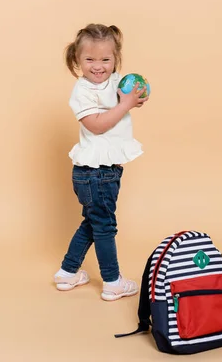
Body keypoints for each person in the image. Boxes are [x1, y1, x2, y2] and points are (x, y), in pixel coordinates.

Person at [54, 23, 149, 301]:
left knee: (92, 222)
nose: (98, 66)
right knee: (105, 226)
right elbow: (96, 125)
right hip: (95, 174)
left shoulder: (115, 82)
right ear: (77, 61)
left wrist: (134, 97)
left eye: (106, 59)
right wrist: (124, 105)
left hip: (104, 172)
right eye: (90, 59)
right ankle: (112, 281)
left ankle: (67, 272)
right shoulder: (81, 92)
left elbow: (125, 96)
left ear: (115, 59)